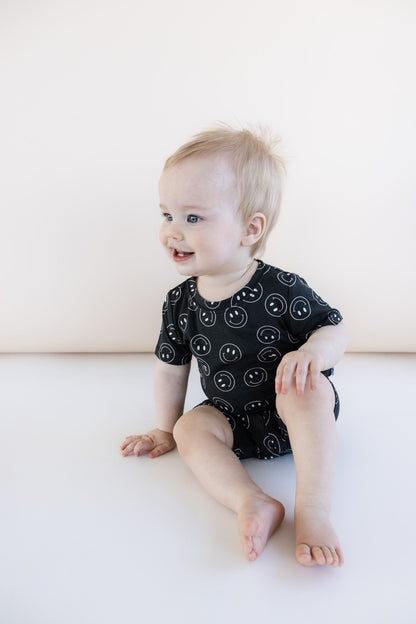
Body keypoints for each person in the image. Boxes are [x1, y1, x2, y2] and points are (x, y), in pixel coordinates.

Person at [121, 124, 347, 567]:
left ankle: (314, 511)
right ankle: (252, 502)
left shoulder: (280, 288)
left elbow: (333, 328)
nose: (172, 231)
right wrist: (165, 428)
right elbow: (171, 369)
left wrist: (311, 354)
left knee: (308, 390)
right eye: (167, 215)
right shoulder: (180, 302)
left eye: (193, 218)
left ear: (250, 228)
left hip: (291, 408)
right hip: (231, 416)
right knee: (190, 428)